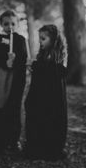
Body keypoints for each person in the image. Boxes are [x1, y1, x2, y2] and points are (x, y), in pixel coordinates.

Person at [24, 24, 67, 160]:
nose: (40, 42)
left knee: (49, 119)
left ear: (53, 39)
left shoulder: (58, 56)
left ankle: (49, 148)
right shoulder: (43, 55)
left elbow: (54, 73)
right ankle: (37, 147)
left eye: (43, 39)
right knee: (37, 117)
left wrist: (36, 66)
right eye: (39, 39)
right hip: (39, 95)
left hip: (51, 98)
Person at [0, 10, 27, 150]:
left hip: (14, 79)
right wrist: (4, 61)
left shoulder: (20, 40)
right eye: (6, 24)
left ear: (17, 24)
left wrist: (14, 62)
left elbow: (23, 59)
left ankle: (14, 139)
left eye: (13, 23)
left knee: (14, 108)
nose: (10, 26)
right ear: (1, 24)